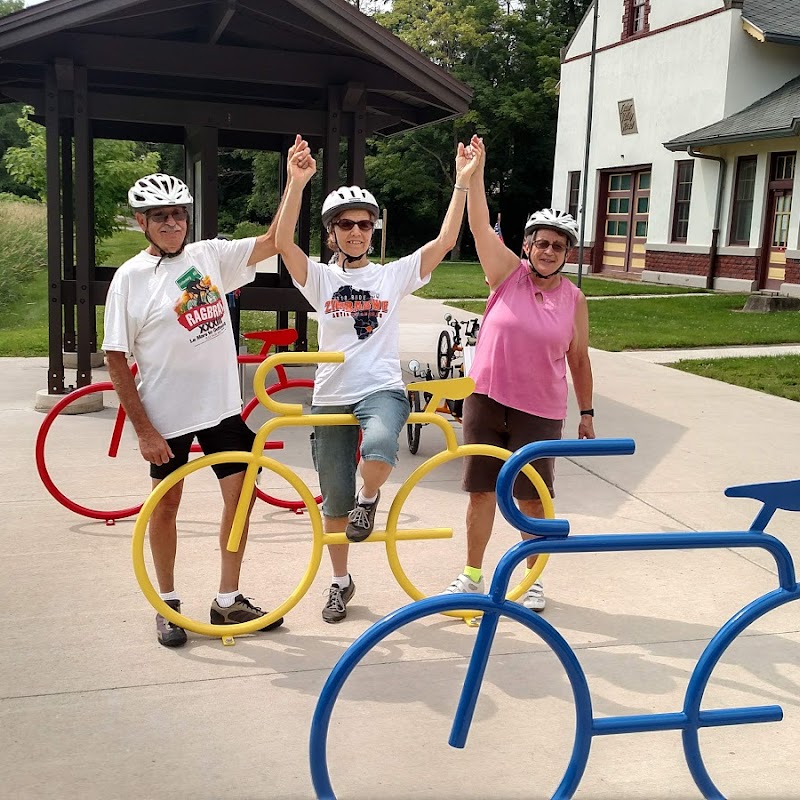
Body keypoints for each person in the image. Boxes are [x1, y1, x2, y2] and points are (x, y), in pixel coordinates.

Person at [274, 135, 479, 623]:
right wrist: (295, 183)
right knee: (334, 500)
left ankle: (371, 499)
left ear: (373, 230)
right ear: (332, 232)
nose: (356, 231)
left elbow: (446, 242)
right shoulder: (322, 279)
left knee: (383, 444)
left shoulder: (391, 276)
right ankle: (341, 582)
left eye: (365, 224)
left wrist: (462, 184)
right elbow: (283, 242)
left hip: (381, 388)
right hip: (331, 395)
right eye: (346, 225)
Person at [102, 159, 298, 647]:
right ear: (140, 221)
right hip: (166, 416)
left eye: (179, 214)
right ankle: (166, 602)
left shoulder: (209, 256)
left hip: (221, 410)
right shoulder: (130, 278)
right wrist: (143, 430)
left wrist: (295, 180)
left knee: (242, 497)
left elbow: (274, 240)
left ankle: (227, 600)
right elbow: (115, 357)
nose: (172, 223)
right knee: (165, 507)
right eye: (160, 215)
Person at [444, 135, 595, 612]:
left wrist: (587, 413)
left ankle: (533, 580)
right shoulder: (506, 274)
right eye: (542, 242)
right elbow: (480, 224)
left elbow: (579, 360)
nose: (549, 251)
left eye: (558, 245)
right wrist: (475, 175)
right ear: (527, 245)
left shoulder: (574, 299)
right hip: (487, 400)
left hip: (540, 410)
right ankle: (471, 577)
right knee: (481, 493)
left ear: (567, 253)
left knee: (533, 501)